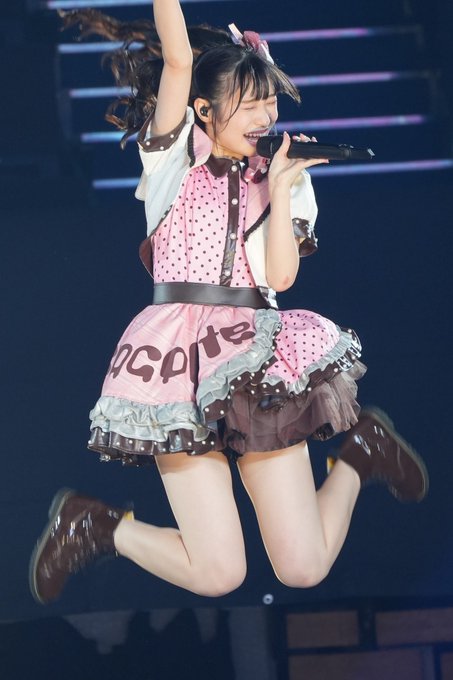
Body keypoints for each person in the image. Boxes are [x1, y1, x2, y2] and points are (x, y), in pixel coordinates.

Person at [29, 1, 428, 605]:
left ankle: (359, 455)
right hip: (177, 362)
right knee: (219, 574)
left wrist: (284, 187)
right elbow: (178, 57)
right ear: (203, 110)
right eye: (250, 103)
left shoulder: (283, 174)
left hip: (256, 358)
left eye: (271, 102)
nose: (266, 116)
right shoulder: (170, 158)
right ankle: (98, 527)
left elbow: (280, 278)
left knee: (304, 567)